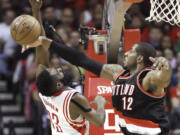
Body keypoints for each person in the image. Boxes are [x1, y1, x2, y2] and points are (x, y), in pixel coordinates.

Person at [23, 1, 172, 135]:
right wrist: (50, 43)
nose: (126, 53)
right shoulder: (117, 73)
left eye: (131, 51)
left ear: (139, 58)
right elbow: (82, 60)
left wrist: (165, 66)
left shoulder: (148, 77)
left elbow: (163, 79)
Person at [28, 0, 108, 135]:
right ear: (59, 84)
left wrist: (36, 11)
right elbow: (99, 121)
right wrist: (100, 103)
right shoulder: (74, 98)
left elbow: (40, 44)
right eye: (57, 72)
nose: (59, 68)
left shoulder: (44, 92)